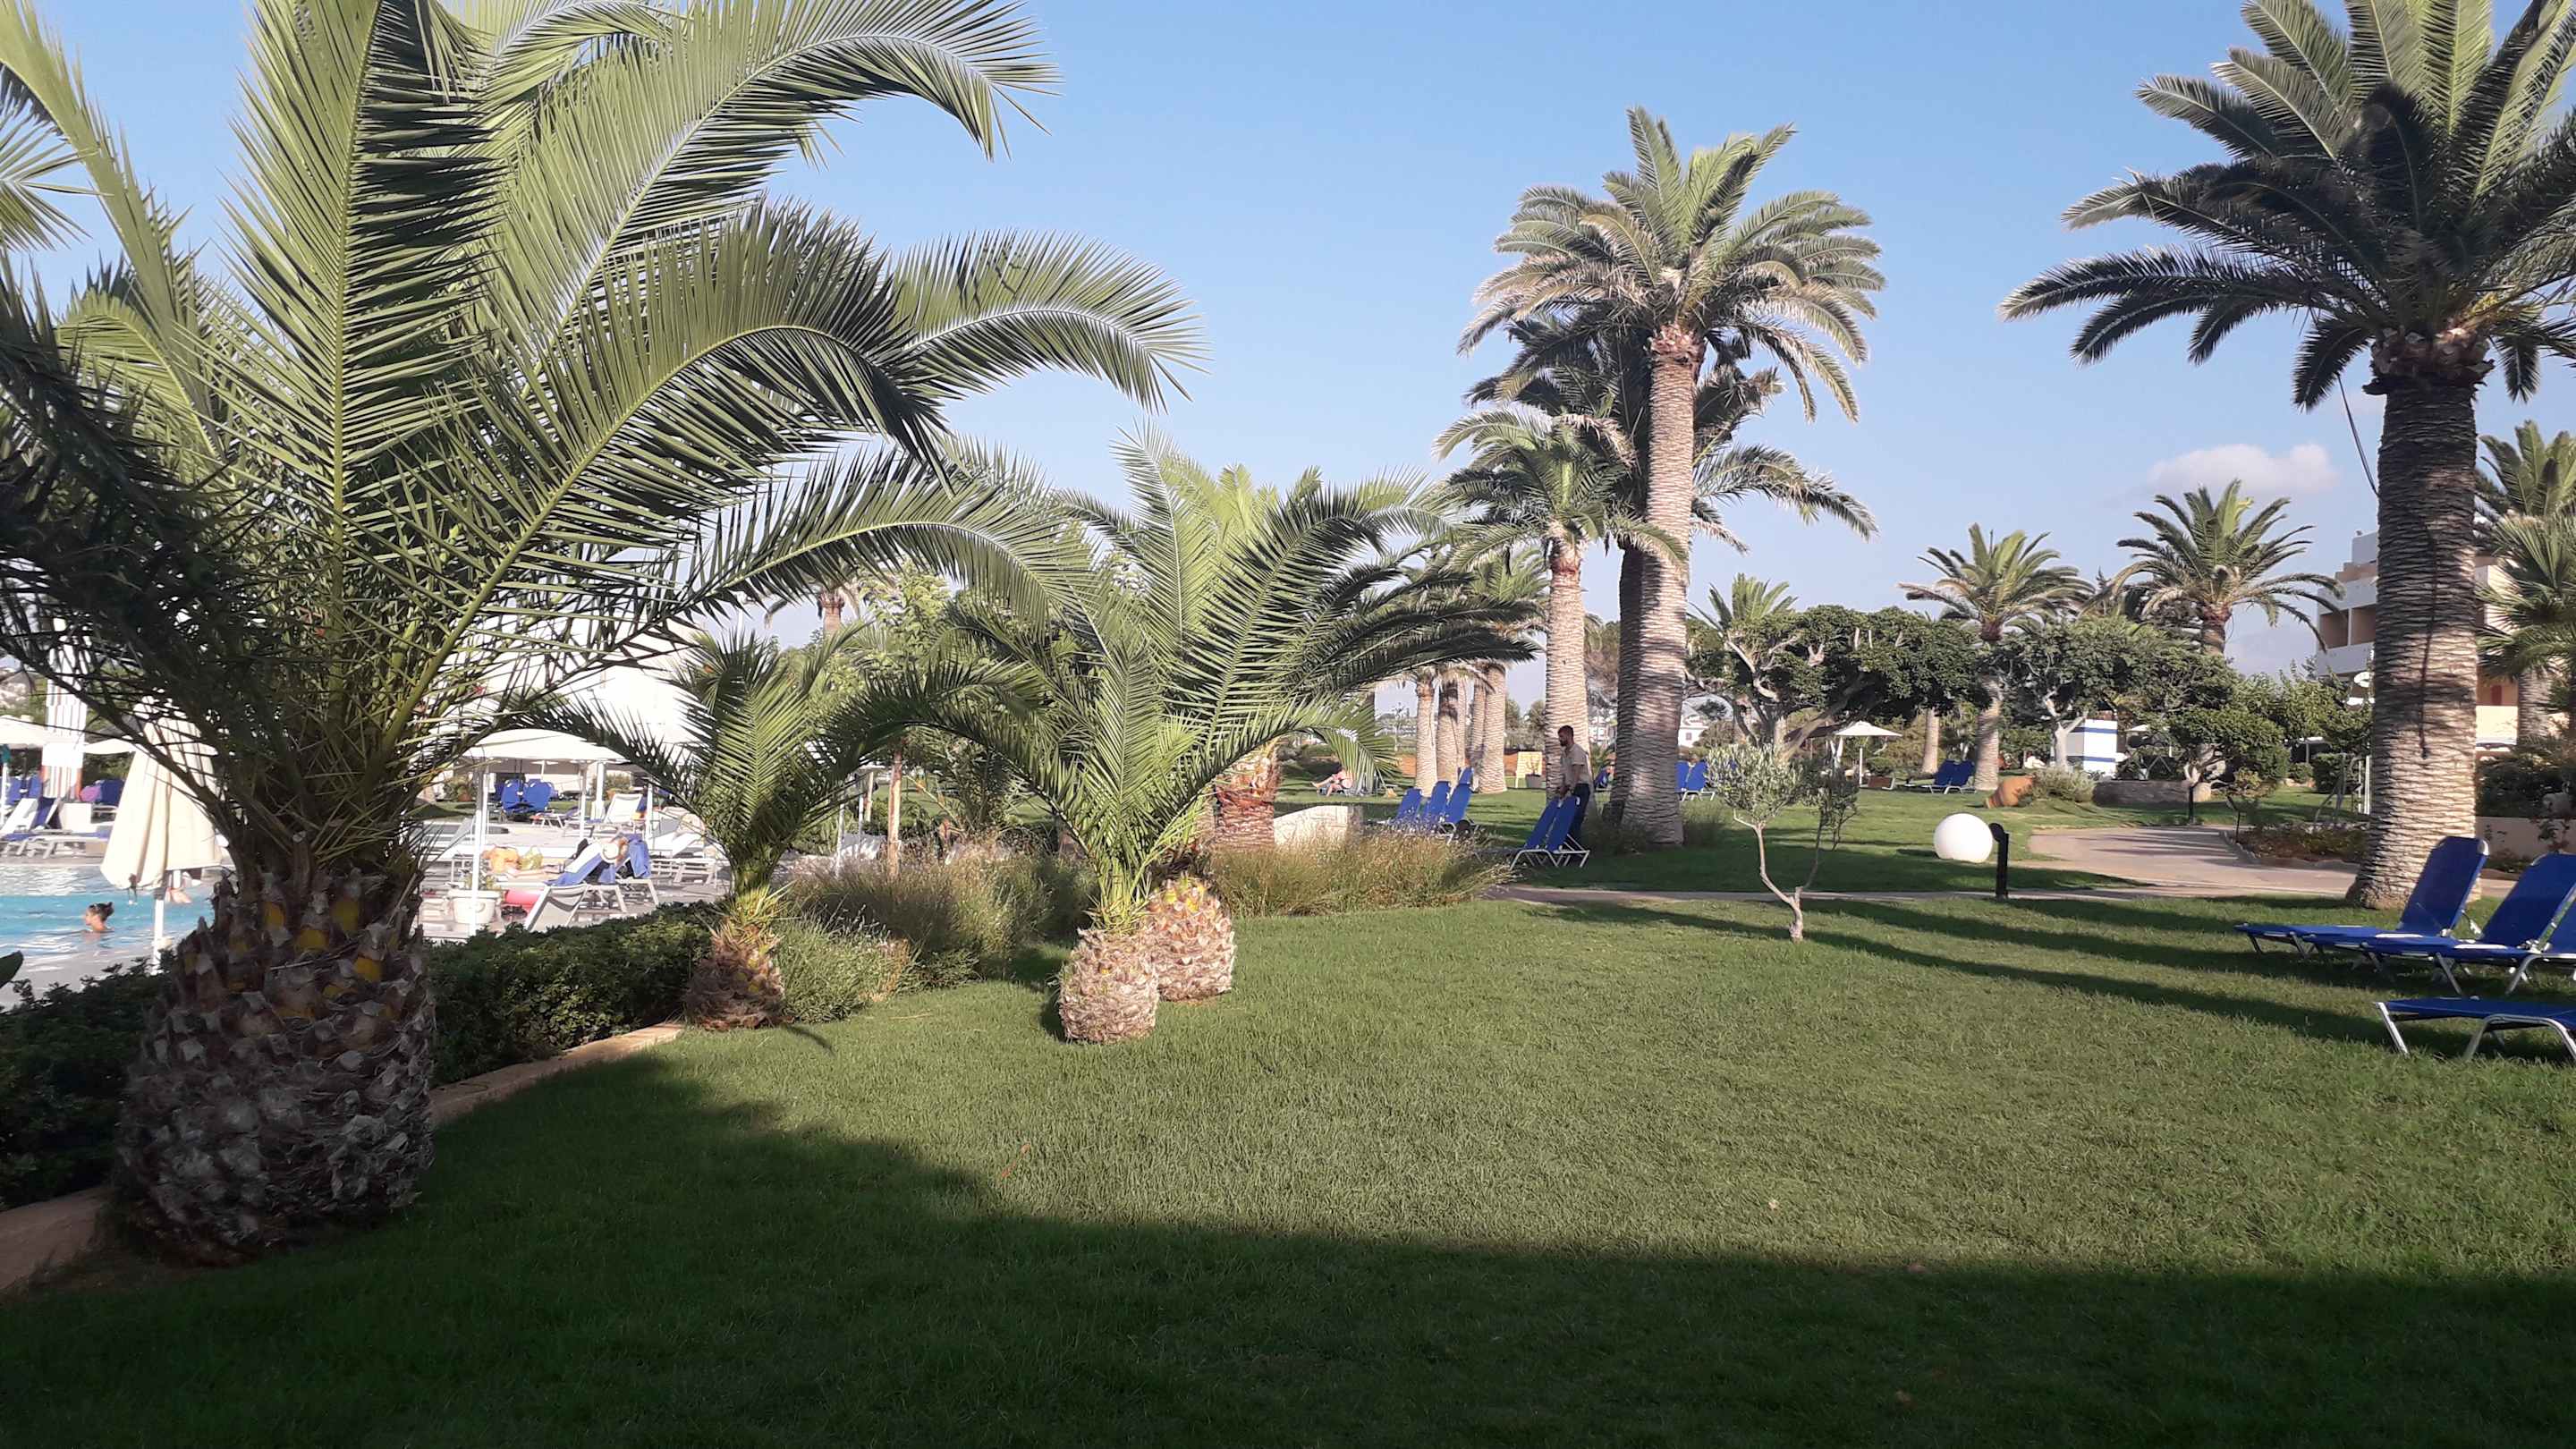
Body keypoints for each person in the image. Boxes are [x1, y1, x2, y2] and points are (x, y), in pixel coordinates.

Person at [1554, 725, 1592, 851]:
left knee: (1575, 820)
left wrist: (1571, 791)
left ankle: (1576, 852)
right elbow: (1566, 775)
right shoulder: (1564, 754)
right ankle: (1566, 849)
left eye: (1561, 737)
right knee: (1566, 821)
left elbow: (1576, 774)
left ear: (1569, 736)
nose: (1559, 739)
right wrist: (1562, 790)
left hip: (1581, 789)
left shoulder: (1577, 751)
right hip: (1571, 788)